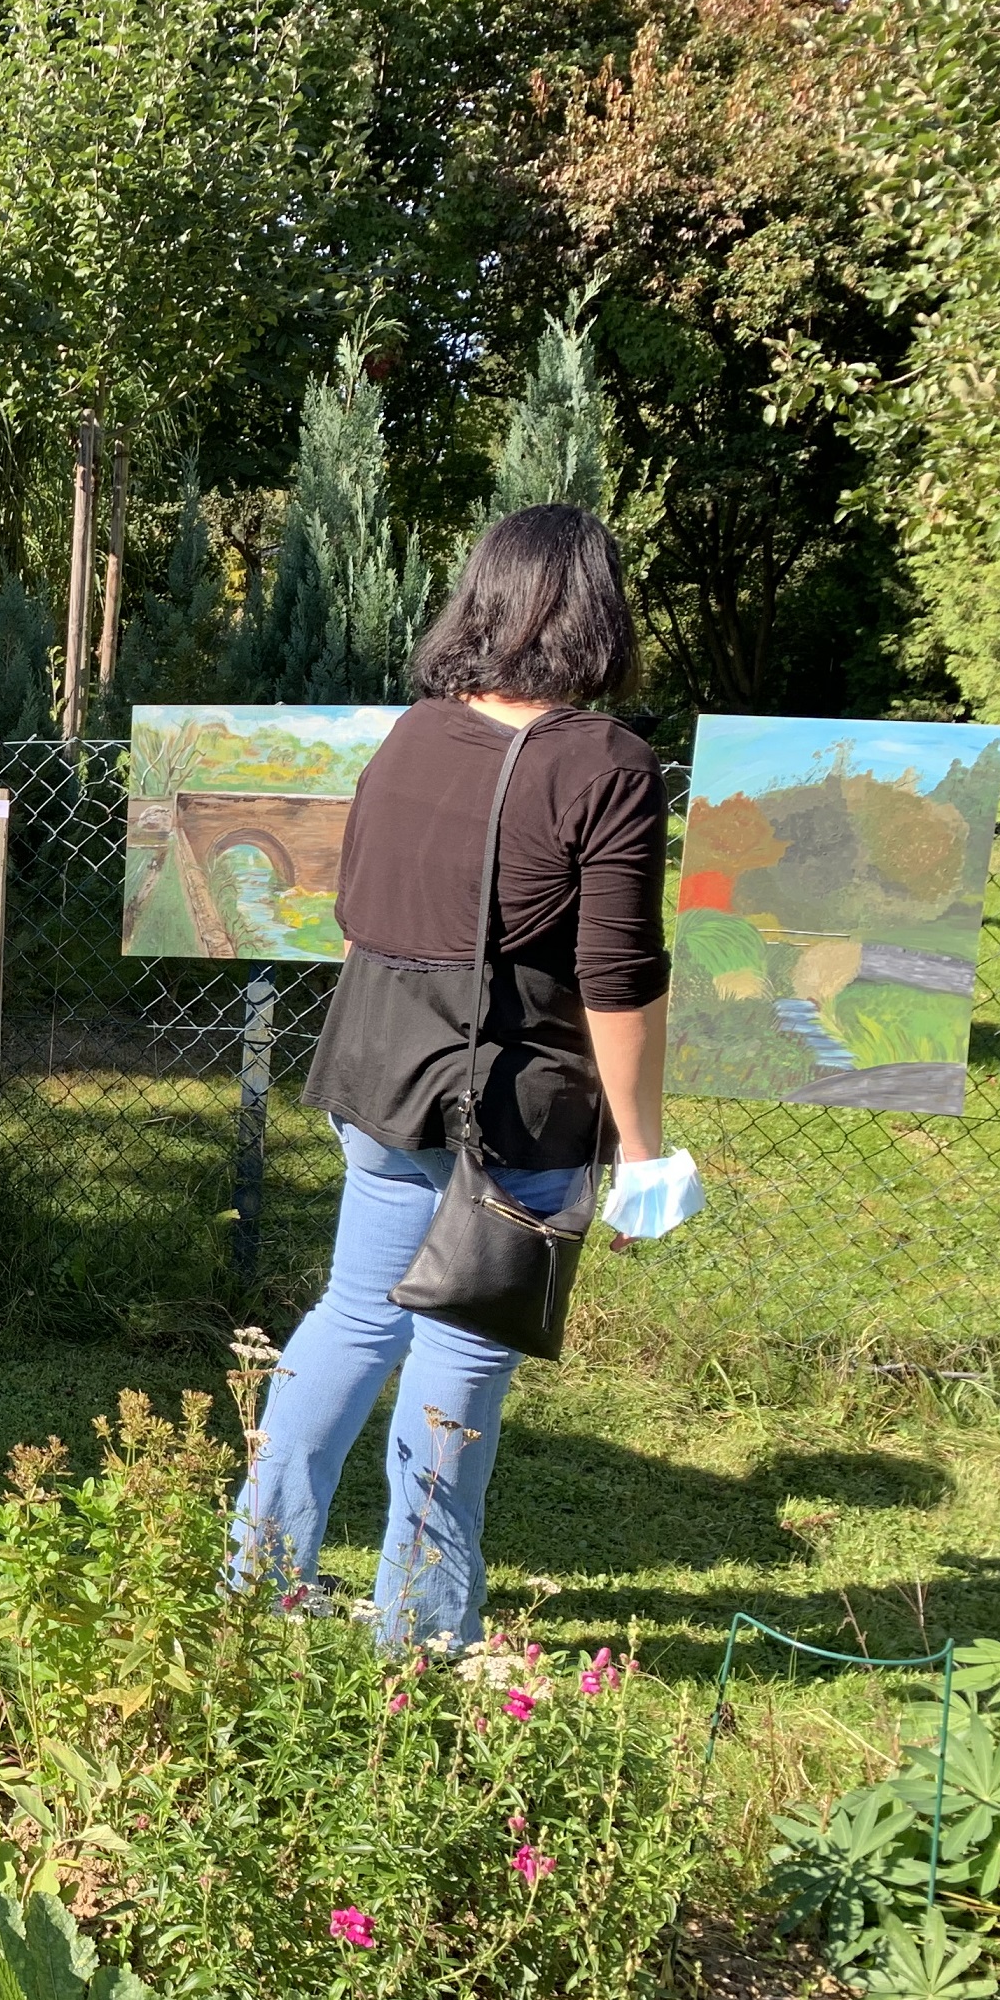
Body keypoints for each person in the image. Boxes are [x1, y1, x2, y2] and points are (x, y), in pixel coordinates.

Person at [229, 504, 674, 1651]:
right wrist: (644, 1143)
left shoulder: (416, 733)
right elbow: (618, 977)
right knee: (462, 1352)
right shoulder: (606, 764)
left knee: (353, 1316)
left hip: (378, 1074)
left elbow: (355, 907)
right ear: (597, 612)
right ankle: (420, 1632)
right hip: (509, 1106)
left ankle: (259, 1570)